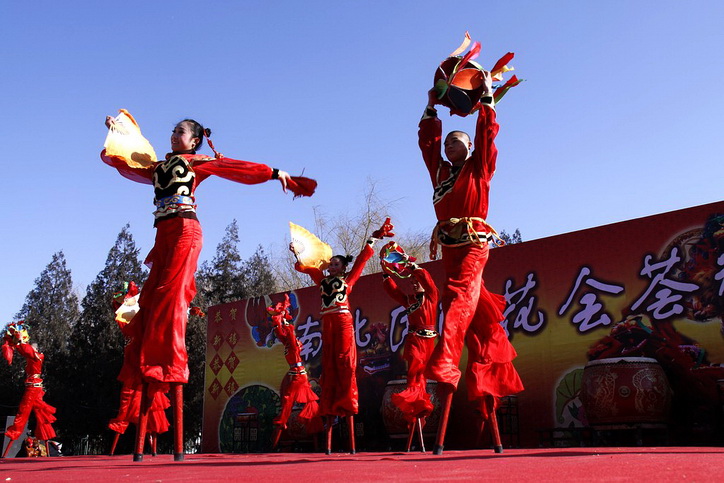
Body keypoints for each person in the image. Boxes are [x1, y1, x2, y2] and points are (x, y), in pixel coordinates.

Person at [101, 115, 316, 461]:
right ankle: (150, 366)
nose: (173, 135)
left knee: (171, 306)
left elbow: (234, 167)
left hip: (186, 233)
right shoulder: (159, 167)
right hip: (163, 237)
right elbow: (126, 160)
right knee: (150, 306)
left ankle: (169, 367)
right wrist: (117, 130)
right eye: (172, 130)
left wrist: (275, 173)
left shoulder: (196, 163)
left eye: (181, 132)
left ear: (195, 140)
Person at [419, 71, 523, 455]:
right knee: (476, 320)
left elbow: (487, 136)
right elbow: (427, 143)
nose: (449, 145)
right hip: (449, 246)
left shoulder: (481, 168)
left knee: (458, 295)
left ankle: (445, 361)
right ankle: (485, 397)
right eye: (447, 141)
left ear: (469, 146)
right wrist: (431, 106)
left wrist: (487, 102)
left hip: (476, 243)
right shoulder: (441, 173)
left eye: (457, 140)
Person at [290, 219, 394, 454]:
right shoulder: (322, 280)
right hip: (327, 324)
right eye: (331, 264)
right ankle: (330, 405)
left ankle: (347, 403)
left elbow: (361, 260)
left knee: (346, 365)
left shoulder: (348, 281)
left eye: (336, 264)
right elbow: (307, 268)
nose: (332, 266)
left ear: (343, 268)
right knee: (330, 367)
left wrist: (374, 238)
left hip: (343, 322)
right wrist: (298, 254)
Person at [380, 246, 439, 452]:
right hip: (414, 342)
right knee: (414, 375)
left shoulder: (431, 296)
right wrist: (386, 273)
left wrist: (411, 265)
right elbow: (393, 290)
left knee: (423, 379)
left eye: (417, 281)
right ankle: (414, 409)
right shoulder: (409, 301)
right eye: (412, 282)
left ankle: (419, 414)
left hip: (429, 343)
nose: (414, 284)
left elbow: (427, 279)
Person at [107, 282, 170, 456]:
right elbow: (121, 310)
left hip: (143, 357)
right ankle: (133, 443)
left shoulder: (143, 316)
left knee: (151, 402)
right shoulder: (129, 318)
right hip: (134, 358)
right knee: (128, 401)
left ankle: (151, 444)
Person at [267, 295, 322, 449]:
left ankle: (275, 445)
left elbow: (286, 333)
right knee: (293, 407)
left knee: (301, 407)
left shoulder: (289, 344)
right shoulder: (290, 344)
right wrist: (282, 320)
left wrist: (282, 320)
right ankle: (274, 445)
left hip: (298, 376)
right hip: (298, 377)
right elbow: (287, 333)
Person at [1, 322, 57, 458]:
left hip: (32, 389)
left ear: (35, 348)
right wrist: (14, 342)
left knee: (23, 413)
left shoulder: (37, 356)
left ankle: (11, 439)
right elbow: (23, 350)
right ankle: (48, 452)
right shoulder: (33, 356)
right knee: (40, 414)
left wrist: (20, 340)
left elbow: (26, 350)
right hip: (35, 388)